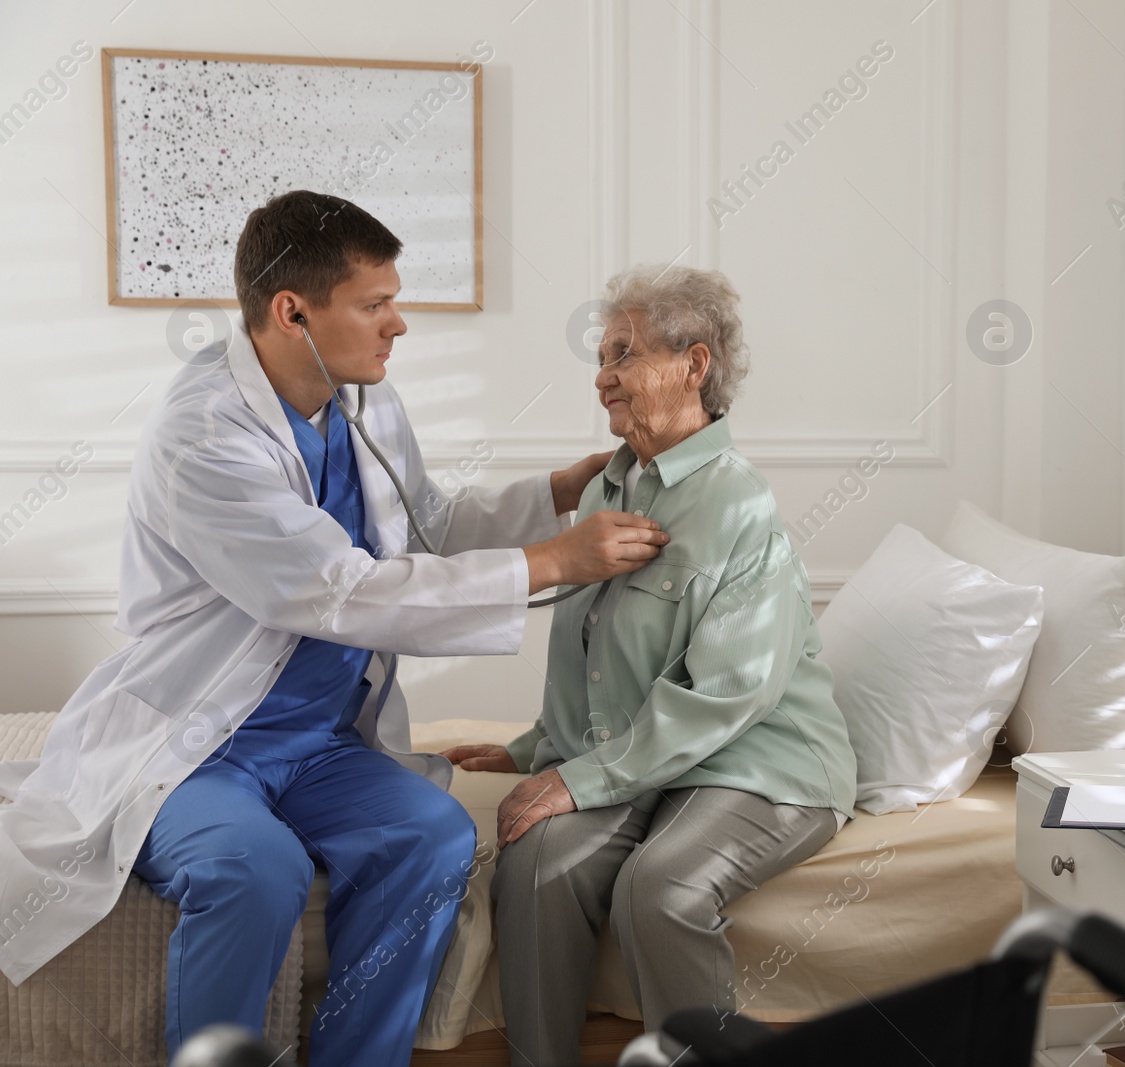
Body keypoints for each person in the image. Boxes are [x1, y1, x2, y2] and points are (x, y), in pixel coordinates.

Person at [0, 191, 669, 1067]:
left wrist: (553, 493)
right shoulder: (203, 435)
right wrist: (555, 561)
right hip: (202, 741)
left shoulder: (360, 400)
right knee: (254, 871)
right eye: (374, 303)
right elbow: (335, 591)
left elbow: (420, 522)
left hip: (320, 741)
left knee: (431, 836)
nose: (399, 325)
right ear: (293, 312)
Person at [442, 265, 857, 1066]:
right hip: (651, 758)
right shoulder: (609, 485)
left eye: (622, 354)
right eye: (601, 358)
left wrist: (575, 781)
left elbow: (731, 692)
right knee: (533, 867)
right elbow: (597, 657)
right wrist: (537, 749)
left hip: (760, 756)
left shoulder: (739, 505)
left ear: (694, 364)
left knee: (658, 890)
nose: (602, 378)